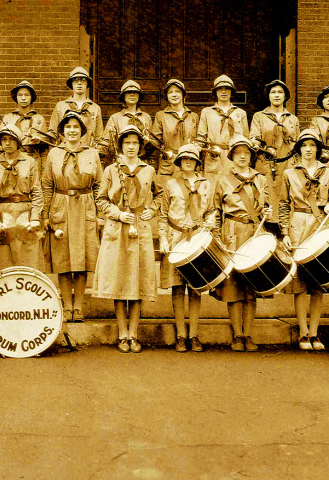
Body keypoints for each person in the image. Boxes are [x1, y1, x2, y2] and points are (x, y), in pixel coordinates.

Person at [94, 124, 160, 353]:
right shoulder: (112, 170)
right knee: (120, 281)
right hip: (117, 230)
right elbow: (101, 199)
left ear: (140, 147)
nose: (131, 147)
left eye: (135, 143)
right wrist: (118, 213)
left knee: (138, 281)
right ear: (121, 146)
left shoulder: (149, 171)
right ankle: (122, 334)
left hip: (140, 229)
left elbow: (160, 195)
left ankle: (134, 333)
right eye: (126, 143)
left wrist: (153, 208)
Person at [41, 111, 103, 322]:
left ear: (82, 131)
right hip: (61, 205)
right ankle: (66, 306)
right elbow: (47, 184)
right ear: (62, 131)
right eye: (68, 127)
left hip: (85, 206)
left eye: (76, 127)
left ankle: (79, 307)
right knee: (63, 259)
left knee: (82, 260)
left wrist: (100, 214)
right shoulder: (54, 154)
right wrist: (46, 214)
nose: (72, 131)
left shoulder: (92, 154)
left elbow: (99, 185)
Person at [210, 136, 270, 352]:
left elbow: (264, 206)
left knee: (252, 286)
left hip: (254, 233)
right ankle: (237, 334)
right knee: (234, 287)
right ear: (232, 157)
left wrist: (266, 212)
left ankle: (249, 334)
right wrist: (217, 236)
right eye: (238, 153)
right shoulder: (223, 179)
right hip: (232, 233)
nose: (243, 156)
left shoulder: (260, 179)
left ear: (251, 156)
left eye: (246, 153)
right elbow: (215, 210)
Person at [279, 129, 329, 352]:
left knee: (318, 282)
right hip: (298, 223)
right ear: (299, 149)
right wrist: (284, 232)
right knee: (301, 283)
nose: (309, 149)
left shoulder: (328, 172)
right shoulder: (289, 173)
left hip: (320, 223)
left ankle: (315, 331)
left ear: (318, 149)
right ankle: (303, 332)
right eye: (304, 145)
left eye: (313, 145)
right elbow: (283, 204)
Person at [158, 143, 215, 352]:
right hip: (176, 236)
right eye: (184, 158)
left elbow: (210, 211)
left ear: (197, 162)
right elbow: (163, 214)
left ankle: (194, 334)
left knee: (196, 287)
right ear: (180, 162)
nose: (188, 161)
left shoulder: (206, 184)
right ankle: (181, 334)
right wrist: (163, 238)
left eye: (192, 158)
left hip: (197, 237)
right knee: (177, 287)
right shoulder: (171, 184)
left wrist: (210, 223)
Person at [0, 124, 43, 271]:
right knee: (3, 265)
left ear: (18, 142)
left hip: (26, 213)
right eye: (4, 139)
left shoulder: (29, 162)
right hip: (3, 215)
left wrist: (35, 217)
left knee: (28, 263)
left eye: (11, 140)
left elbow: (37, 191)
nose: (7, 143)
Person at [250, 79, 299, 227]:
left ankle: (284, 231)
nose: (276, 95)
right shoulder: (259, 116)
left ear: (285, 96)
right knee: (265, 198)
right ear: (268, 96)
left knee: (286, 197)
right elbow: (254, 138)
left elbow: (296, 143)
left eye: (280, 92)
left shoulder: (292, 119)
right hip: (266, 165)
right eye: (273, 92)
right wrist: (260, 146)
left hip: (288, 164)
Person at [195, 74, 249, 181]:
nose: (223, 92)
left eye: (227, 89)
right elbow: (201, 136)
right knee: (213, 191)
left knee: (233, 190)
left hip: (234, 157)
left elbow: (245, 138)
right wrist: (197, 146)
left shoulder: (240, 113)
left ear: (231, 92)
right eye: (220, 89)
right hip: (214, 156)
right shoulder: (207, 112)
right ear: (215, 92)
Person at [152, 78, 199, 184]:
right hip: (168, 165)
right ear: (167, 96)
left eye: (177, 91)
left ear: (183, 94)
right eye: (170, 92)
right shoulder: (161, 116)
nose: (174, 95)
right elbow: (155, 141)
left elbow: (199, 139)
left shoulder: (193, 116)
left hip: (188, 163)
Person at [100, 80, 153, 164]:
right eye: (128, 92)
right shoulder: (115, 118)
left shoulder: (146, 117)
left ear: (139, 96)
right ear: (123, 96)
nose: (132, 95)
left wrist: (147, 141)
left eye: (135, 93)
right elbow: (107, 141)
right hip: (121, 161)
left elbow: (152, 143)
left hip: (142, 161)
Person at [51, 66, 103, 147]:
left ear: (87, 84)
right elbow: (53, 133)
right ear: (71, 84)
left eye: (83, 80)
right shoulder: (61, 106)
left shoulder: (95, 108)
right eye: (75, 80)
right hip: (66, 152)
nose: (79, 83)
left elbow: (99, 136)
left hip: (88, 153)